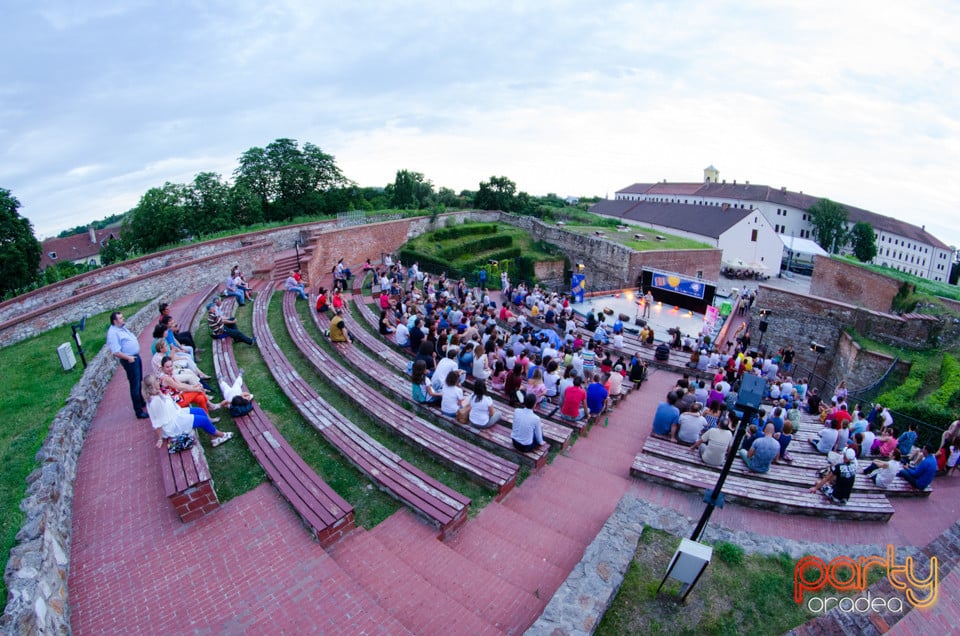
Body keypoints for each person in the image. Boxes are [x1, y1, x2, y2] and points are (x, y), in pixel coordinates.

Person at [143, 374, 233, 449]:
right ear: (152, 385)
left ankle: (213, 438)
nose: (159, 382)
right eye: (156, 381)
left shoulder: (158, 393)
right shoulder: (155, 402)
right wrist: (160, 439)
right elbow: (157, 423)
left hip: (177, 413)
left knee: (200, 411)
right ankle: (221, 435)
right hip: (172, 424)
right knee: (203, 420)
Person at [107, 311, 149, 419]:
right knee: (134, 385)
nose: (123, 319)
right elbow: (116, 351)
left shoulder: (121, 328)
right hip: (130, 360)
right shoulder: (113, 333)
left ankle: (141, 401)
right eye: (121, 318)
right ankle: (138, 412)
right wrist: (129, 358)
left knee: (138, 381)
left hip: (135, 357)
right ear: (115, 321)